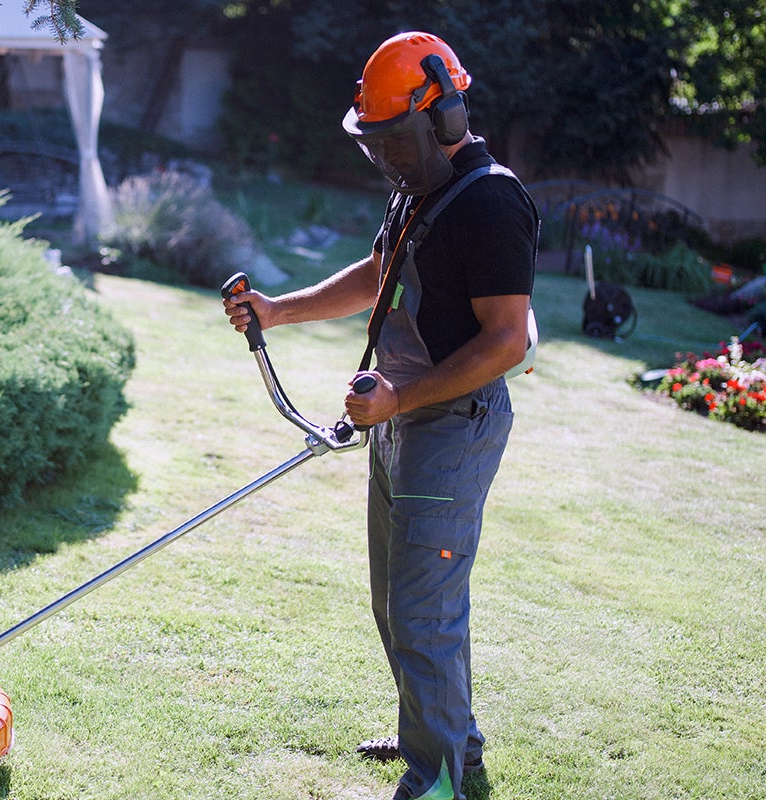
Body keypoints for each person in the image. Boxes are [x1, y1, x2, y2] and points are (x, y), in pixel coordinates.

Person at [221, 31, 536, 800]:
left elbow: (506, 343)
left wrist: (400, 400)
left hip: (451, 424)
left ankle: (438, 778)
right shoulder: (420, 191)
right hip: (400, 420)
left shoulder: (491, 201)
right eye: (377, 141)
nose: (388, 155)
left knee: (423, 606)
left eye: (397, 138)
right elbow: (379, 273)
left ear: (447, 114)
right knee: (396, 601)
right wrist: (278, 309)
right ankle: (441, 735)